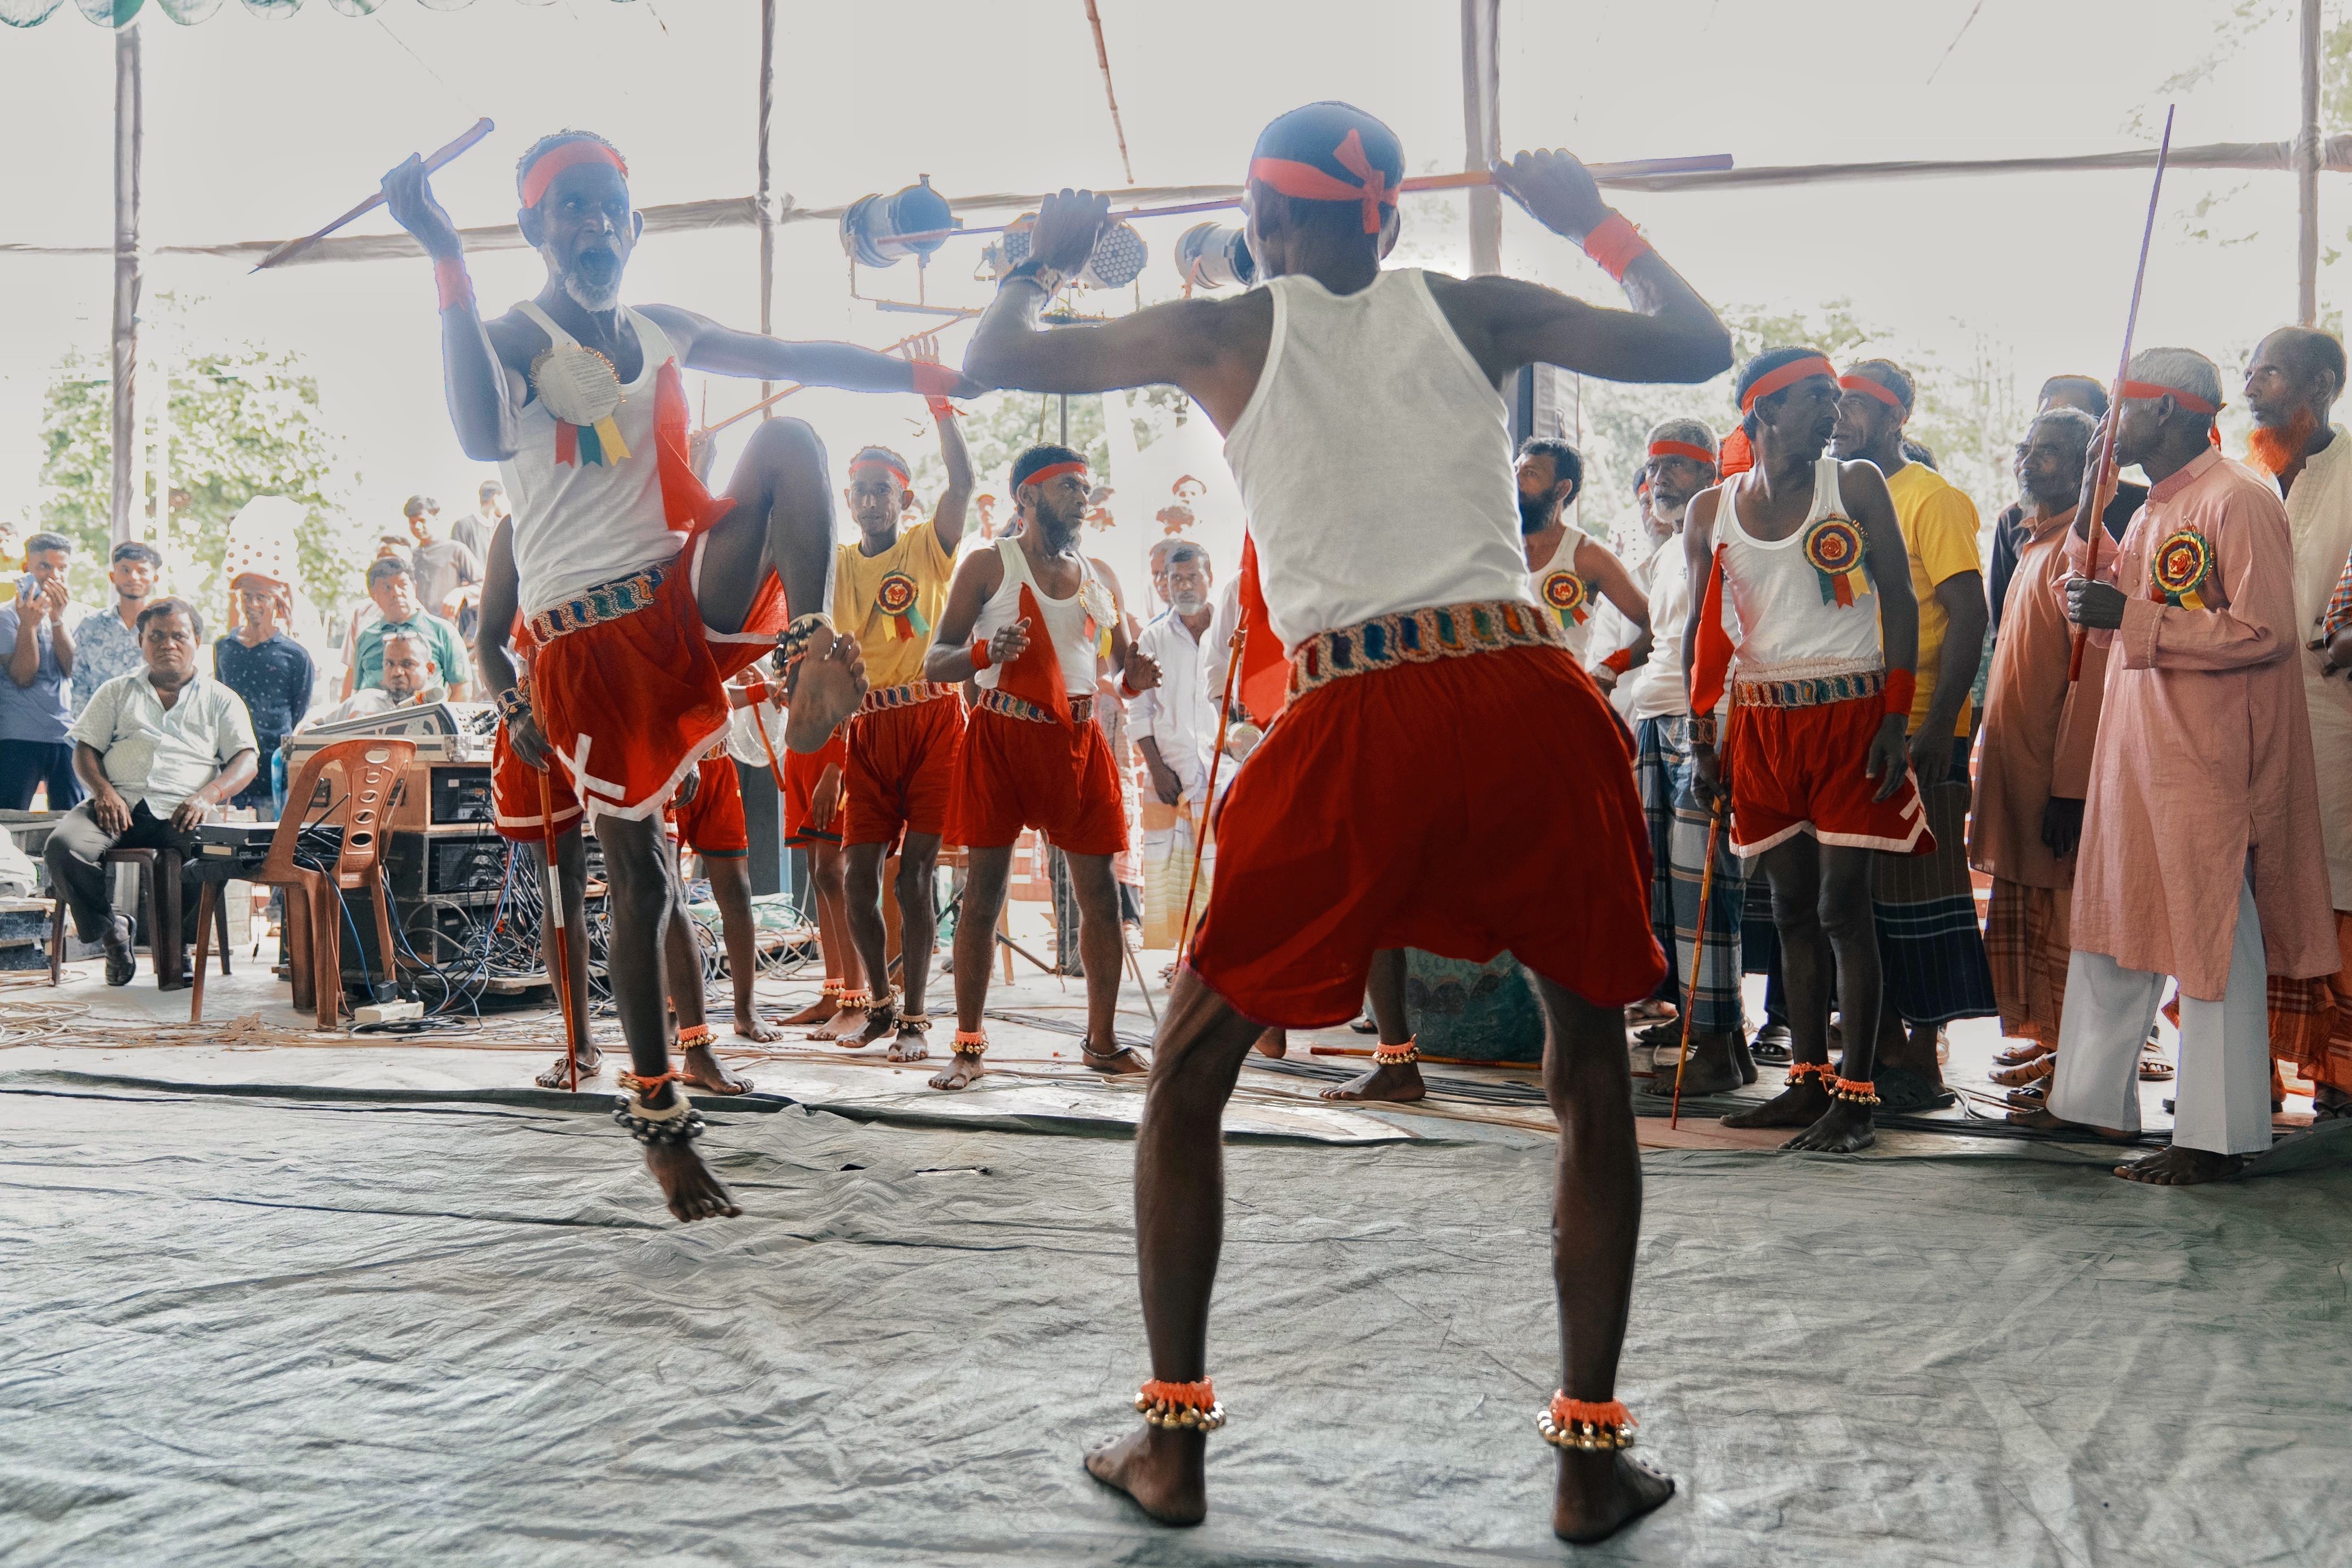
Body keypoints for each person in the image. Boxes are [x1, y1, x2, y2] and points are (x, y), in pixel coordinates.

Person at [965, 105, 1727, 1540]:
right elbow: (1697, 344)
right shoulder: (1472, 307)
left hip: (1358, 713)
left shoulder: (1225, 329)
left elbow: (993, 360)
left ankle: (1172, 1446)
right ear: (1385, 219)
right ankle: (1586, 1462)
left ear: (1265, 219)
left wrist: (1043, 260)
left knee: (1187, 1078)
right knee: (1587, 1075)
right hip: (1526, 694)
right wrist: (1589, 218)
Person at [383, 128, 958, 1222]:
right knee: (644, 879)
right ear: (536, 226)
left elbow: (801, 352)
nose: (594, 223)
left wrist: (922, 375)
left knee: (791, 441)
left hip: (679, 595)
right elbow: (475, 430)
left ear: (635, 226)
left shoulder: (662, 328)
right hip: (587, 643)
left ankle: (808, 648)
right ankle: (656, 1112)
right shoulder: (508, 336)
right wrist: (445, 256)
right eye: (572, 207)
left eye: (610, 207)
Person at [2050, 347, 2337, 1183]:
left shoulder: (2236, 496)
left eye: (2122, 405)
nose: (2108, 424)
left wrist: (2134, 617)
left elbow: (2264, 631)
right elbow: (2097, 611)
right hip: (2136, 747)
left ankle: (2214, 1138)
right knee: (2115, 915)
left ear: (2169, 409)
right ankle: (2094, 1105)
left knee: (2212, 935)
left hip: (2207, 757)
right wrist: (2090, 509)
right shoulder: (2152, 506)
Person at [1684, 348, 1926, 1154]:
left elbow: (1899, 598)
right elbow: (1699, 633)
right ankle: (1807, 1080)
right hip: (1760, 721)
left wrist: (1895, 717)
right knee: (1788, 907)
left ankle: (1856, 1098)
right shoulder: (1710, 510)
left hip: (1850, 716)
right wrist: (1703, 738)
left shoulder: (1853, 483)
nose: (1834, 412)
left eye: (1837, 398)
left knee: (1840, 908)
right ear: (1765, 410)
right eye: (1817, 398)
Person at [920, 443, 1160, 1090]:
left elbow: (1120, 671)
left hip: (1078, 742)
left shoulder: (1100, 576)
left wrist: (1136, 678)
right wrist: (983, 652)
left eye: (1085, 487)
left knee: (1100, 899)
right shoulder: (986, 564)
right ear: (1027, 495)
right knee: (983, 895)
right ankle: (968, 1046)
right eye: (1067, 487)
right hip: (1000, 737)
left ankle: (1101, 1042)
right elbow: (934, 658)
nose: (1083, 498)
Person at [1828, 358, 1995, 1106]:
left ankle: (1924, 1059)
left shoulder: (1931, 497)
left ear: (1896, 418)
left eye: (1855, 405)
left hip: (1921, 723)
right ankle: (1885, 1050)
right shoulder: (1836, 497)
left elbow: (1969, 613)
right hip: (1855, 722)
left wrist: (1935, 726)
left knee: (1922, 890)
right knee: (1862, 896)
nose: (1838, 417)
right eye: (1832, 403)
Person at [829, 359, 975, 1061]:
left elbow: (963, 484)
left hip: (933, 718)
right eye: (860, 490)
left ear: (903, 497)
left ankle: (916, 1017)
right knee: (856, 877)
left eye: (882, 490)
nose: (870, 500)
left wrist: (938, 404)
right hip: (867, 728)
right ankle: (881, 1005)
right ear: (848, 498)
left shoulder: (927, 546)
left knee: (915, 873)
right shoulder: (834, 564)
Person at [1968, 408, 2109, 1112]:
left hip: (2055, 787)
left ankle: (2077, 1075)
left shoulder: (2083, 552)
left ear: (2088, 467)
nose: (2029, 460)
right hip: (2019, 777)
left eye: (2049, 452)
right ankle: (2055, 1051)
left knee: (2068, 928)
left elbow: (2091, 681)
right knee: (2035, 920)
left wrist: (2071, 787)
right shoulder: (2032, 542)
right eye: (2026, 448)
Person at [1612, 422, 1755, 1093]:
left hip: (1707, 720)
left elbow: (1725, 636)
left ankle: (1721, 1047)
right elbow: (1660, 637)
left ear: (1708, 474)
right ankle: (1703, 1025)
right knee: (1667, 888)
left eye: (1676, 465)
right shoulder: (1670, 546)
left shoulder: (1726, 529)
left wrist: (1704, 734)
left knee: (1706, 887)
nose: (1659, 478)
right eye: (1654, 466)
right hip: (1656, 715)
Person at [2237, 326, 2352, 1122]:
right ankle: (2249, 1069)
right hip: (2239, 715)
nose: (2250, 387)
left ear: (2322, 387)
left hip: (2332, 713)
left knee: (2336, 884)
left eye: (2270, 373)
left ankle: (2340, 1074)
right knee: (2247, 887)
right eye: (2249, 372)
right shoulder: (2240, 479)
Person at [44, 598, 256, 989]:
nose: (167, 644)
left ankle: (179, 945)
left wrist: (209, 795)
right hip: (116, 805)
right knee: (63, 847)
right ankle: (113, 933)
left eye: (179, 636)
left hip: (184, 810)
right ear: (141, 641)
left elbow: (246, 759)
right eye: (156, 636)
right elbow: (85, 749)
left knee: (217, 851)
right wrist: (103, 791)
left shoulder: (220, 699)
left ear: (197, 641)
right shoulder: (116, 691)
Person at [1987, 375, 2141, 638]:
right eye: (2048, 417)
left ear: (2103, 429)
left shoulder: (2139, 509)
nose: (2057, 424)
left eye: (2074, 416)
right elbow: (2003, 625)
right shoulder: (2014, 520)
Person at [671, 740, 783, 1046]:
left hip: (717, 765)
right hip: (667, 768)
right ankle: (672, 1011)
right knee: (668, 896)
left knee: (737, 892)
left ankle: (745, 1010)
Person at [1516, 437, 1650, 681]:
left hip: (1560, 696)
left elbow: (1655, 624)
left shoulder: (1587, 555)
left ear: (1561, 490)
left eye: (1530, 473)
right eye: (1515, 470)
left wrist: (1610, 668)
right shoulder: (1496, 545)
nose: (1516, 480)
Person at [213, 573, 315, 815]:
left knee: (272, 831)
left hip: (274, 764)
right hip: (230, 760)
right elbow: (219, 697)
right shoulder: (225, 647)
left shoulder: (295, 655)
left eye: (262, 597)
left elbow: (299, 708)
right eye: (247, 597)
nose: (253, 604)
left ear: (277, 602)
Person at [1, 532, 81, 812]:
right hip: (18, 734)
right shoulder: (6, 616)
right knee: (10, 820)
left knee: (70, 819)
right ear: (27, 569)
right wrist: (29, 625)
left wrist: (58, 619)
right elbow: (23, 677)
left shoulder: (80, 615)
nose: (54, 576)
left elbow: (72, 671)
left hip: (69, 734)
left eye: (62, 568)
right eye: (45, 566)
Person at [343, 557, 472, 702]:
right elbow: (355, 690)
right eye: (387, 588)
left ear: (414, 588)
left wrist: (440, 716)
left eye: (403, 585)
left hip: (424, 713)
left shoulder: (443, 632)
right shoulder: (366, 638)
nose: (396, 593)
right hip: (373, 714)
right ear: (373, 594)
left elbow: (462, 688)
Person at [69, 541, 162, 721]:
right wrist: (85, 730)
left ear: (155, 578)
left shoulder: (164, 628)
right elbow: (80, 681)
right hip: (99, 727)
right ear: (113, 576)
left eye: (142, 571)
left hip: (151, 728)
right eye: (125, 570)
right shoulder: (92, 625)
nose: (133, 577)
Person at [304, 629, 442, 726]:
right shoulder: (364, 700)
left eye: (407, 664)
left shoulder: (440, 713)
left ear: (430, 669)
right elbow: (310, 730)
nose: (396, 672)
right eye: (390, 664)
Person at [405, 493, 484, 630]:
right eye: (413, 522)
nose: (417, 526)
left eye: (422, 521)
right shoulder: (409, 556)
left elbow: (483, 585)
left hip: (447, 630)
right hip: (414, 629)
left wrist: (461, 593)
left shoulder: (456, 550)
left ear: (436, 518)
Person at [451, 478, 507, 558]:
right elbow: (456, 559)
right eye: (503, 497)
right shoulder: (463, 525)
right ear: (495, 497)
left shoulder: (500, 526)